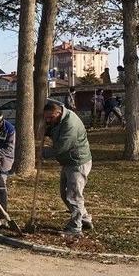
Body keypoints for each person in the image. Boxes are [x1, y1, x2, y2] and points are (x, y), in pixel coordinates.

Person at [43, 101, 93, 236]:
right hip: (68, 161)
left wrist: (42, 153)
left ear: (58, 113)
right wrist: (49, 130)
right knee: (65, 193)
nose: (48, 120)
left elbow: (61, 147)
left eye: (50, 117)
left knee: (73, 196)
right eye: (46, 117)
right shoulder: (59, 119)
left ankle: (75, 228)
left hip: (77, 162)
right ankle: (84, 218)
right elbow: (56, 132)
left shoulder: (70, 124)